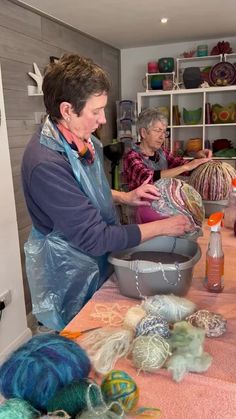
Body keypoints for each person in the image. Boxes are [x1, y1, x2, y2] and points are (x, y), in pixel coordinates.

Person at [21, 54, 192, 331]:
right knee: (79, 338)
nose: (102, 119)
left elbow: (87, 190)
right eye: (96, 110)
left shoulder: (81, 140)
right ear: (67, 110)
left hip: (95, 258)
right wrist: (163, 227)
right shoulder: (45, 164)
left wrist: (126, 196)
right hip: (69, 273)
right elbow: (95, 237)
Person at [123, 108, 212, 223]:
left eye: (164, 132)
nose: (162, 136)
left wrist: (199, 159)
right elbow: (148, 177)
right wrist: (187, 167)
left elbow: (182, 166)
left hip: (162, 211)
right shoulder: (132, 155)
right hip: (140, 215)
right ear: (143, 133)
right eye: (157, 131)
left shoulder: (161, 152)